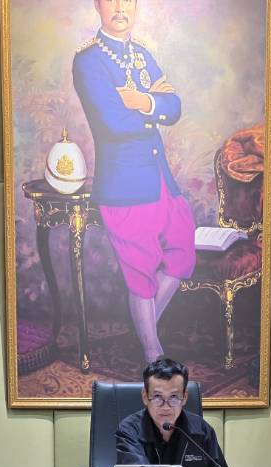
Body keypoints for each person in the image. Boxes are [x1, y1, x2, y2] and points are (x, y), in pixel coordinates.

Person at [73, 0, 196, 364]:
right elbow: (112, 121)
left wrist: (141, 101)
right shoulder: (89, 60)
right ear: (98, 5)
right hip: (123, 181)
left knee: (182, 250)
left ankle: (142, 330)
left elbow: (174, 107)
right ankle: (152, 353)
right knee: (141, 269)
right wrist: (153, 107)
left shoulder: (142, 54)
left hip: (159, 176)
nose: (120, 6)